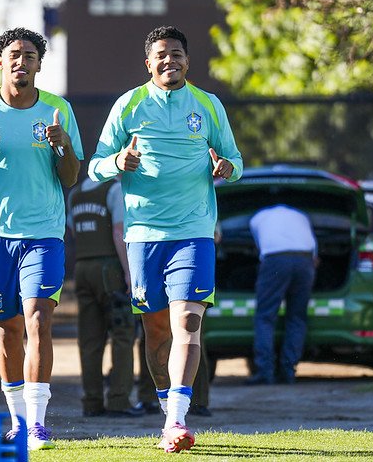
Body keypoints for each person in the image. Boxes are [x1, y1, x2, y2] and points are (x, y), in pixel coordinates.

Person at [88, 26, 242, 453]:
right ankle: (167, 410)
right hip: (144, 236)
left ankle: (176, 420)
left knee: (188, 322)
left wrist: (227, 168)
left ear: (187, 61)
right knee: (155, 331)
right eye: (161, 54)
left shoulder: (208, 106)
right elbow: (95, 167)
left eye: (176, 53)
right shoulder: (129, 104)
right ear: (148, 62)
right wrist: (119, 160)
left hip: (194, 232)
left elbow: (236, 159)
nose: (169, 60)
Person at [0, 27, 83, 451]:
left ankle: (39, 425)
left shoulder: (58, 110)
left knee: (39, 318)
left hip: (43, 232)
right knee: (7, 330)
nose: (21, 61)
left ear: (40, 64)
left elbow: (71, 178)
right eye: (14, 55)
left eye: (30, 55)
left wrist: (62, 147)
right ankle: (18, 422)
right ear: (1, 62)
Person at [67, 177, 144, 418]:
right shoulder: (114, 189)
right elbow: (119, 231)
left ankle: (92, 402)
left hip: (82, 267)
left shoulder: (76, 193)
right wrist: (130, 273)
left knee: (89, 340)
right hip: (109, 268)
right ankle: (119, 400)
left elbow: (71, 228)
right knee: (123, 334)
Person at [246, 204, 317, 385]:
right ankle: (288, 371)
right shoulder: (301, 214)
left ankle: (265, 371)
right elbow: (315, 252)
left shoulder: (256, 219)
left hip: (275, 260)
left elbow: (258, 246)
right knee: (297, 317)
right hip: (305, 260)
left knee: (265, 317)